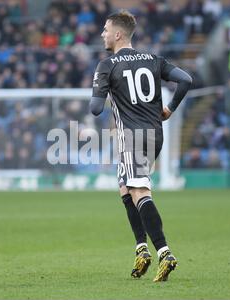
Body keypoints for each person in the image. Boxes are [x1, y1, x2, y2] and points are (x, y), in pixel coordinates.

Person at [89, 10, 192, 282]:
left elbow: (95, 109)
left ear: (118, 34)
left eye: (106, 29)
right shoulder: (153, 59)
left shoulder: (107, 65)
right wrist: (168, 109)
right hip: (155, 134)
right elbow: (186, 80)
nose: (103, 34)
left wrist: (100, 87)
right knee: (125, 187)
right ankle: (141, 249)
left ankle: (164, 252)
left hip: (133, 137)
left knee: (139, 190)